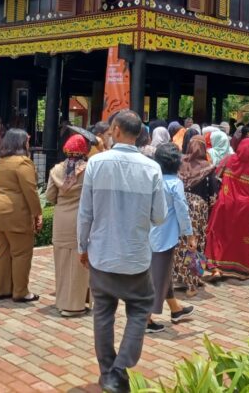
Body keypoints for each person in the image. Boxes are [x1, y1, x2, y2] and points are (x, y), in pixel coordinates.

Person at [77, 110, 167, 393]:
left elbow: (85, 213)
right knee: (140, 309)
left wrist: (82, 247)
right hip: (135, 257)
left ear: (115, 130)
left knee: (103, 312)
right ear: (139, 133)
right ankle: (119, 369)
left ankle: (108, 371)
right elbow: (159, 216)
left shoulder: (96, 164)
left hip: (101, 253)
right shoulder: (152, 168)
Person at [0, 128, 42, 303]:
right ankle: (21, 292)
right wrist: (37, 213)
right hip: (15, 212)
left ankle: (2, 290)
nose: (28, 143)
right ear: (21, 142)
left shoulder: (2, 160)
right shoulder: (22, 162)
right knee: (21, 253)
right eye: (27, 140)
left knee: (2, 252)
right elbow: (30, 191)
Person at [147, 144, 196, 333]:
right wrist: (189, 234)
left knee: (162, 273)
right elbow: (182, 211)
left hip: (148, 233)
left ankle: (175, 309)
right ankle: (145, 319)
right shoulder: (175, 183)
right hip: (165, 236)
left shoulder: (153, 179)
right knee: (158, 277)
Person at [46, 134, 91, 316]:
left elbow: (49, 196)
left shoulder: (56, 170)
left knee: (61, 262)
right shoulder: (89, 170)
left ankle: (62, 302)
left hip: (61, 219)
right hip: (81, 218)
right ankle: (76, 304)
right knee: (81, 261)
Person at [206, 138, 249, 280]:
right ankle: (240, 270)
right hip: (245, 208)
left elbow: (217, 175)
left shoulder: (229, 160)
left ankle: (217, 268)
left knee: (220, 235)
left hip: (225, 203)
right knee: (240, 238)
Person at [175, 136, 217, 295]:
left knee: (181, 242)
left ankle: (179, 275)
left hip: (181, 207)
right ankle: (193, 279)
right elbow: (213, 195)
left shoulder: (180, 164)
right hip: (199, 210)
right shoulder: (207, 167)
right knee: (196, 244)